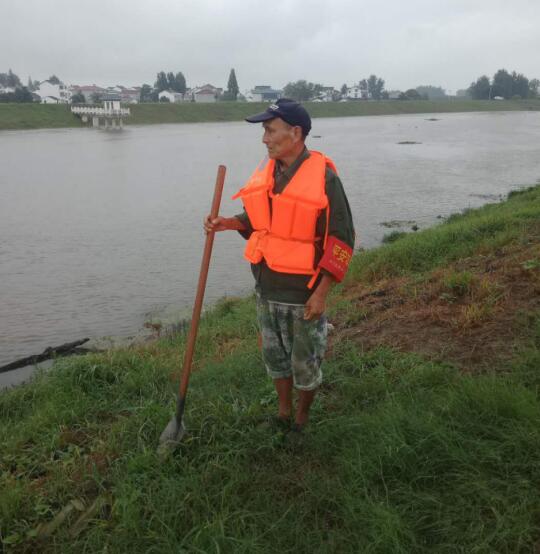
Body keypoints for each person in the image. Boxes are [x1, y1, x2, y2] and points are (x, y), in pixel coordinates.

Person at [204, 98, 355, 435]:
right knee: (275, 360)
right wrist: (227, 222)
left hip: (303, 296)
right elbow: (259, 220)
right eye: (264, 131)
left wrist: (321, 294)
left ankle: (301, 418)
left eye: (270, 131)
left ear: (295, 133)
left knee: (305, 363)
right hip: (267, 289)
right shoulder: (268, 173)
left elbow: (342, 241)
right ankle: (283, 413)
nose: (265, 139)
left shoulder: (325, 179)